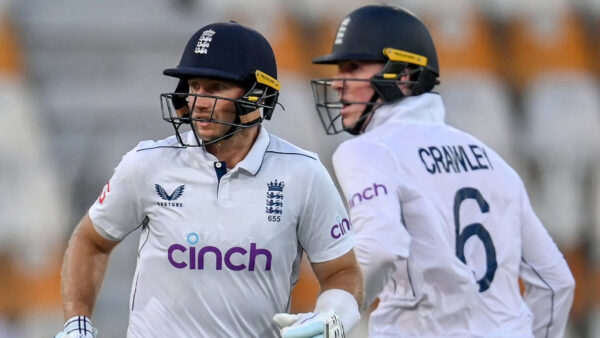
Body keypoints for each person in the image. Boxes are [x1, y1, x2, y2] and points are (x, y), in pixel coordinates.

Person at [55, 21, 363, 338]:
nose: (197, 102)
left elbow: (342, 271)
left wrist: (333, 316)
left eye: (215, 88)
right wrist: (77, 322)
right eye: (193, 86)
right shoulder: (147, 163)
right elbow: (91, 241)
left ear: (258, 95)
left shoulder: (303, 174)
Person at [311, 5, 575, 337]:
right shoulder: (493, 160)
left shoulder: (368, 150)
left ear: (404, 75)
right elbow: (555, 281)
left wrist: (332, 315)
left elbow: (380, 248)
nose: (337, 83)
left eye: (353, 67)